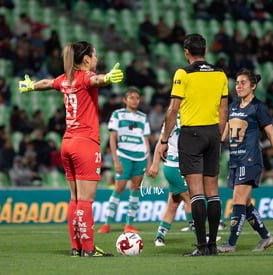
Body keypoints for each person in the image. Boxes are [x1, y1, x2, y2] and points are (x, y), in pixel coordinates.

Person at [18, 41, 123, 257]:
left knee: (75, 199)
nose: (96, 58)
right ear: (86, 59)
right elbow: (96, 80)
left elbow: (47, 83)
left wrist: (31, 86)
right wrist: (108, 78)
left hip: (67, 143)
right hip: (85, 143)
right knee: (86, 201)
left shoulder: (65, 80)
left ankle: (77, 248)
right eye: (94, 55)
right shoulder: (85, 77)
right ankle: (89, 248)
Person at [159, 34, 228, 256]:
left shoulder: (183, 73)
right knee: (213, 193)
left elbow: (173, 109)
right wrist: (218, 137)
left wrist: (163, 141)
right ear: (206, 51)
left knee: (196, 193)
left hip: (191, 134)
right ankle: (213, 246)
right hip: (213, 133)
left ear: (186, 52)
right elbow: (223, 111)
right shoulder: (220, 74)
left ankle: (201, 246)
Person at [217, 68, 273, 253]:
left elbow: (271, 134)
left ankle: (230, 243)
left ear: (253, 86)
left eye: (243, 83)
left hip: (250, 159)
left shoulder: (258, 107)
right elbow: (222, 136)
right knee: (245, 205)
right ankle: (266, 237)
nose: (238, 86)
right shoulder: (232, 108)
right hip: (234, 161)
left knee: (238, 200)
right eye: (237, 83)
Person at [98, 88, 151, 234]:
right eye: (131, 97)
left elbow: (146, 140)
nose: (135, 100)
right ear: (124, 100)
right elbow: (113, 139)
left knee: (135, 190)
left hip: (140, 157)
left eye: (137, 98)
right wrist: (116, 159)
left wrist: (149, 161)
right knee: (119, 189)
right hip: (124, 156)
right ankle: (107, 224)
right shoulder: (117, 115)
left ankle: (129, 225)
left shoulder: (143, 117)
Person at [147, 114, 193, 247]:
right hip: (174, 165)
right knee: (190, 199)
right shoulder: (175, 118)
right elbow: (161, 141)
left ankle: (159, 237)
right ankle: (200, 238)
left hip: (181, 165)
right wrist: (155, 164)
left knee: (173, 203)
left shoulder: (186, 115)